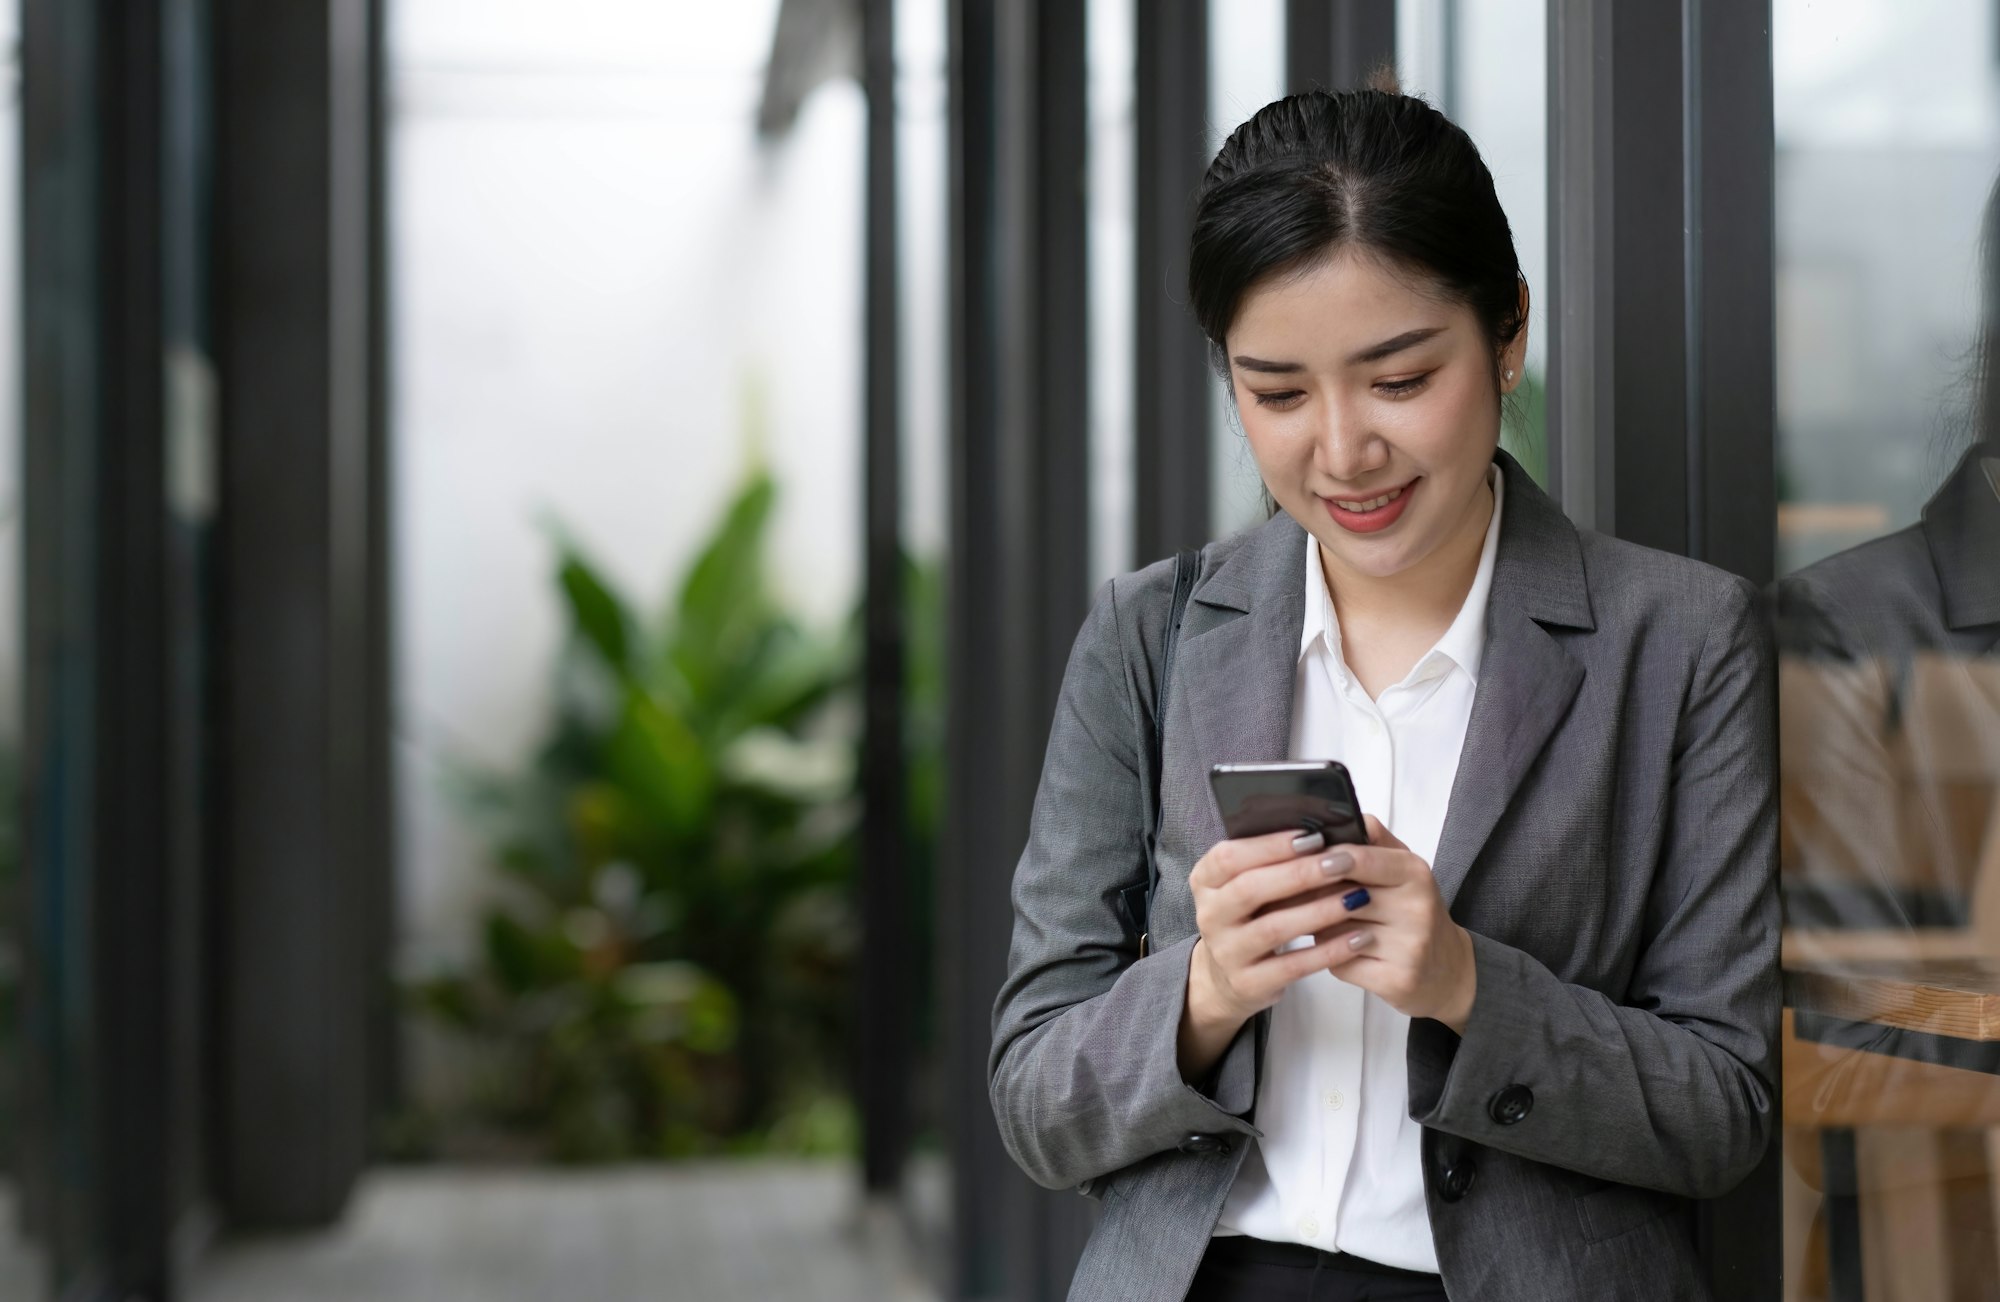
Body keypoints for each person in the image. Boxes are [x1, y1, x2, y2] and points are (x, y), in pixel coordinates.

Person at [988, 86, 1779, 1302]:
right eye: (1278, 393)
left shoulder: (1677, 642)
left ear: (1506, 334)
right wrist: (1203, 992)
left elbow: (1722, 1112)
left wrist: (1466, 984)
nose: (1343, 450)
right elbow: (1037, 1101)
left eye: (1399, 380)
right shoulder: (1148, 634)